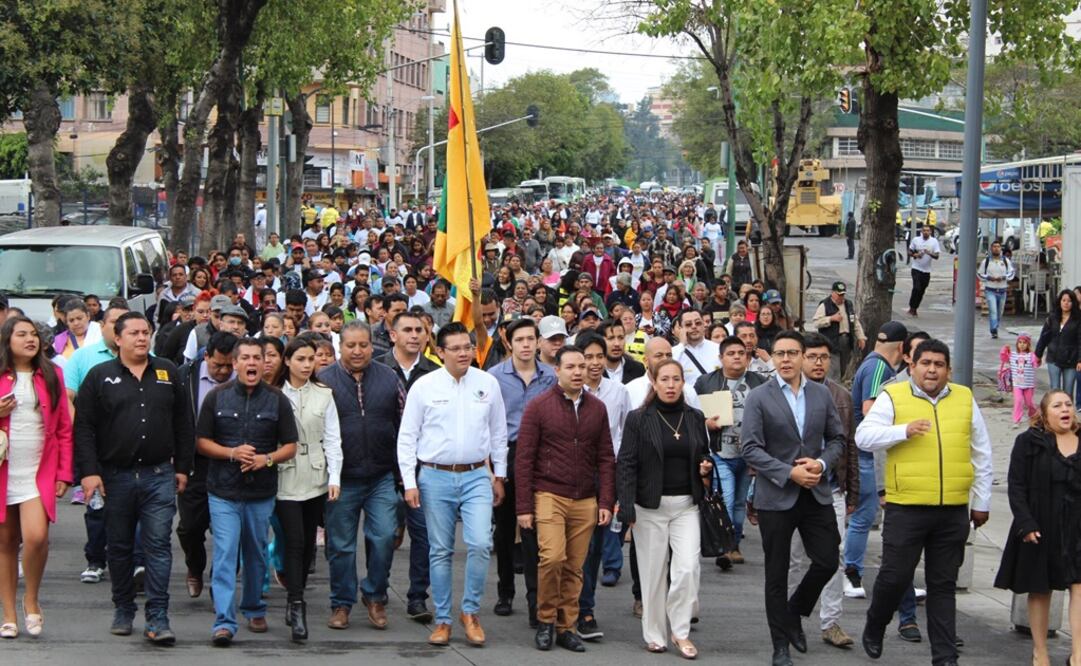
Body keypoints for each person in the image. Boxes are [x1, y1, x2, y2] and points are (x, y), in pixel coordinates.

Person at [856, 339, 993, 665]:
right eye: (926, 363)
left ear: (948, 370)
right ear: (911, 365)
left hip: (952, 509)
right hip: (907, 506)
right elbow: (864, 436)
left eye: (939, 364)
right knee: (895, 576)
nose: (932, 370)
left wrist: (982, 500)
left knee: (942, 585)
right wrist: (902, 431)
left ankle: (945, 657)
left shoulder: (964, 398)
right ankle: (875, 623)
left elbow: (982, 451)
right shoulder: (894, 395)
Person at [74, 312, 192, 645]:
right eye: (135, 333)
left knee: (158, 545)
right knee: (121, 546)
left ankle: (158, 616)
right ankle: (123, 608)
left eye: (146, 332)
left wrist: (183, 467)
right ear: (119, 338)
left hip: (159, 474)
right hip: (115, 476)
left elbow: (184, 422)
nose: (142, 338)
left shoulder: (168, 371)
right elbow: (84, 428)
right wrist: (89, 472)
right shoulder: (100, 376)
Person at [398, 322, 508, 648]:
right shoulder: (424, 386)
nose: (464, 353)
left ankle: (470, 612)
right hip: (434, 476)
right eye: (456, 348)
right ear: (440, 351)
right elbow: (407, 437)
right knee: (441, 549)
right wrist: (409, 482)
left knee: (479, 544)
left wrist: (498, 474)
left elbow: (499, 433)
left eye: (468, 346)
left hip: (477, 475)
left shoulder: (488, 383)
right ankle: (444, 618)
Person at [740, 330, 846, 666]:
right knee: (777, 573)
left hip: (815, 493)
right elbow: (750, 448)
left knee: (828, 560)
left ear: (803, 356)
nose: (786, 359)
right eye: (780, 353)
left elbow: (837, 440)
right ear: (772, 357)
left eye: (792, 353)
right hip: (777, 496)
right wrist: (788, 472)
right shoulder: (759, 397)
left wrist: (820, 462)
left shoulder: (821, 395)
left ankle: (794, 612)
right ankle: (780, 646)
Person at [195, 337, 298, 646]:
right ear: (236, 363)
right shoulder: (216, 397)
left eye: (258, 357)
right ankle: (224, 622)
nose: (252, 363)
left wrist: (266, 459)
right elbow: (201, 442)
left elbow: (291, 447)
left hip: (261, 492)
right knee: (226, 553)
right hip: (223, 492)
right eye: (247, 358)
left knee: (255, 553)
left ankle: (254, 607)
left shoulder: (277, 400)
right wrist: (231, 453)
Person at [515, 345, 615, 653]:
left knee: (575, 566)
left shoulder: (597, 408)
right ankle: (545, 620)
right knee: (552, 558)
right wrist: (523, 508)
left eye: (581, 367)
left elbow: (606, 458)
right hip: (548, 494)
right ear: (556, 370)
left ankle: (566, 625)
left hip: (585, 498)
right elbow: (524, 459)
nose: (577, 372)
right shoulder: (539, 406)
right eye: (570, 366)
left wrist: (605, 501)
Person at [617, 359, 713, 658]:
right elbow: (626, 463)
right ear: (654, 383)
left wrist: (706, 466)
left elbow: (704, 452)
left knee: (687, 568)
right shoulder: (639, 418)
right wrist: (626, 506)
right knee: (653, 572)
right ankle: (655, 633)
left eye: (676, 379)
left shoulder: (695, 417)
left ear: (683, 383)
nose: (671, 385)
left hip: (687, 505)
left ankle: (680, 631)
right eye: (665, 380)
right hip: (649, 506)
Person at [317, 321, 404, 631]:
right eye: (350, 345)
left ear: (372, 345)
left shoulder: (389, 378)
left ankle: (375, 595)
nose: (357, 351)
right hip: (341, 478)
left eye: (363, 345)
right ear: (340, 346)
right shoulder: (323, 381)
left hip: (381, 475)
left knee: (383, 538)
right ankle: (341, 603)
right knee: (340, 545)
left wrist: (402, 475)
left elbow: (405, 425)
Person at [995, 390, 1081, 666]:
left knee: (1079, 587)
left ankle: (1079, 654)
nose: (1065, 409)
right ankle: (1040, 652)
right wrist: (1026, 523)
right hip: (1041, 526)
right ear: (1044, 414)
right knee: (1040, 589)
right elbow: (1016, 485)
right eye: (1057, 405)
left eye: (1068, 404)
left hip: (1077, 527)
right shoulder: (1028, 442)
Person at [0, 316, 73, 639]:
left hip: (37, 470)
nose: (30, 339)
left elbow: (63, 430)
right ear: (7, 341)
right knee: (5, 542)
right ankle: (9, 613)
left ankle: (31, 600)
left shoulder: (52, 374)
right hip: (4, 468)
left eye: (34, 334)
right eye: (21, 334)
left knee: (35, 537)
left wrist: (64, 473)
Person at [787, 333, 861, 649]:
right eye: (813, 356)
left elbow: (849, 447)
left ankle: (830, 622)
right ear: (802, 358)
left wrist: (853, 491)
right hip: (791, 491)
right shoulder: (785, 394)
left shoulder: (841, 396)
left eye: (824, 358)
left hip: (831, 490)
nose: (818, 363)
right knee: (795, 559)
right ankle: (790, 618)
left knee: (834, 556)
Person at [489, 319, 557, 626]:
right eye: (520, 339)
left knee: (535, 530)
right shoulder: (493, 378)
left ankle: (536, 601)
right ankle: (505, 591)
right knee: (504, 530)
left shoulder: (552, 377)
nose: (526, 345)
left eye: (531, 339)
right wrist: (493, 469)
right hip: (507, 453)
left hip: (543, 457)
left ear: (539, 342)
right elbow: (488, 425)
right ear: (510, 342)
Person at [276, 337, 343, 641]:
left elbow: (333, 439)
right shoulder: (275, 394)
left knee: (306, 546)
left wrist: (335, 477)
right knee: (293, 540)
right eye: (300, 359)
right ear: (287, 361)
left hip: (316, 474)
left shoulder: (324, 394)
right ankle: (297, 604)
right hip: (285, 474)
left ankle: (295, 596)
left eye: (311, 359)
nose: (306, 365)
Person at [379, 311, 437, 622]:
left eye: (420, 330)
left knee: (424, 535)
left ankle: (417, 596)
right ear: (393, 335)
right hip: (384, 467)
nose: (414, 335)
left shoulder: (435, 373)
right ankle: (377, 588)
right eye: (408, 330)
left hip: (422, 468)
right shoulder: (378, 369)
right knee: (384, 533)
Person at [842, 320, 907, 601]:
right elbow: (871, 409)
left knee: (864, 515)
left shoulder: (870, 363)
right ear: (902, 348)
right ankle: (851, 572)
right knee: (864, 516)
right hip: (866, 454)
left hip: (864, 453)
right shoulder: (880, 367)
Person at [574, 332, 631, 639]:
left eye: (599, 356)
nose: (594, 363)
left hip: (606, 473)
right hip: (572, 477)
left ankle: (586, 608)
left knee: (595, 546)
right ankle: (567, 605)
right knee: (572, 548)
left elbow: (624, 435)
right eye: (588, 357)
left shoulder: (618, 392)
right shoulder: (567, 391)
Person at [694, 335, 766, 568]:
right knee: (726, 498)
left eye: (741, 353)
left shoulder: (760, 383)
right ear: (721, 358)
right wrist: (707, 423)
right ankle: (724, 547)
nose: (736, 357)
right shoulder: (706, 382)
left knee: (738, 505)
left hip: (749, 454)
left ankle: (733, 544)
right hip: (720, 452)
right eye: (731, 354)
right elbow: (693, 415)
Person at [176, 332, 237, 600]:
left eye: (228, 365)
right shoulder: (184, 377)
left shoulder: (244, 379)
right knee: (190, 526)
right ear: (206, 357)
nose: (224, 371)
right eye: (217, 365)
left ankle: (221, 584)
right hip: (194, 463)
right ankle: (194, 567)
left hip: (233, 463)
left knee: (232, 532)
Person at [812, 281, 865, 380]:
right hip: (832, 341)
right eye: (839, 294)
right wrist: (831, 319)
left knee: (844, 368)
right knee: (834, 369)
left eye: (843, 294)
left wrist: (861, 337)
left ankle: (839, 383)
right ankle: (832, 389)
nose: (841, 297)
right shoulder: (825, 305)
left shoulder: (848, 304)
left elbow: (855, 322)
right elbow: (816, 322)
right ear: (833, 293)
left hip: (846, 341)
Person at [1035, 289, 1081, 395]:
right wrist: (1038, 354)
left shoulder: (1078, 320)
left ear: (1073, 303)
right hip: (1053, 358)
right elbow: (1044, 337)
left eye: (1069, 301)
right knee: (1055, 390)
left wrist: (1080, 360)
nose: (1066, 303)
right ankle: (1055, 411)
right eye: (1063, 300)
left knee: (1068, 391)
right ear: (1059, 301)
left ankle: (1067, 411)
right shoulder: (1052, 318)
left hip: (1071, 360)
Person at [671, 309, 720, 387]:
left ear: (704, 325)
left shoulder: (718, 349)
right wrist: (682, 345)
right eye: (688, 324)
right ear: (680, 328)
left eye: (698, 323)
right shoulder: (674, 353)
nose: (694, 326)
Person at [977, 240, 1015, 339]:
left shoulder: (1006, 261)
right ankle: (993, 329)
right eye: (994, 246)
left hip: (1002, 290)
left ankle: (995, 326)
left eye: (998, 247)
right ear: (991, 248)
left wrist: (1003, 277)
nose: (996, 248)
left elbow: (1011, 273)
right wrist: (989, 278)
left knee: (999, 311)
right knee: (993, 310)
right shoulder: (986, 261)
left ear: (1000, 249)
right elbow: (980, 274)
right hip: (990, 290)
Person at [907, 224, 941, 317]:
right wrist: (916, 255)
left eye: (928, 231)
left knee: (922, 290)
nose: (926, 232)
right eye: (924, 230)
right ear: (921, 232)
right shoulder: (916, 240)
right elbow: (909, 252)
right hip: (916, 268)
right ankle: (912, 307)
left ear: (930, 232)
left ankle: (915, 307)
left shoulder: (934, 242)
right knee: (916, 287)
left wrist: (929, 253)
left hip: (926, 270)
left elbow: (937, 256)